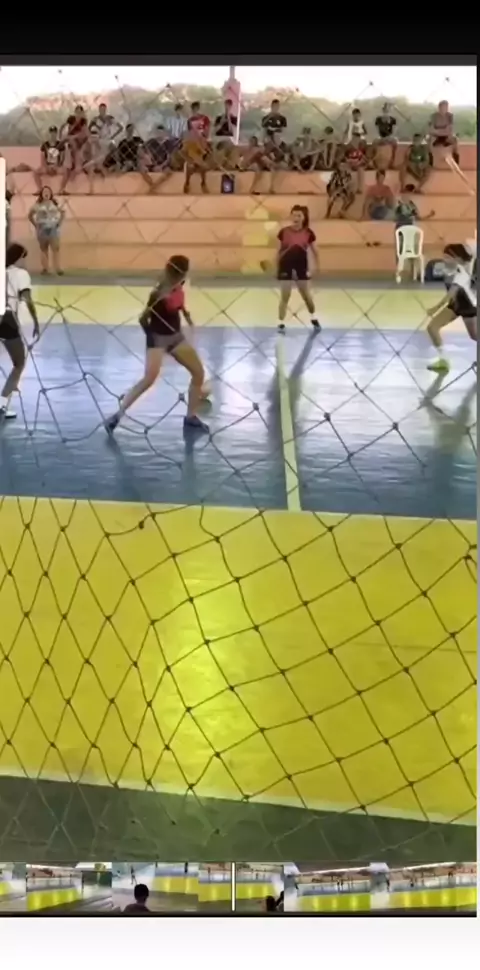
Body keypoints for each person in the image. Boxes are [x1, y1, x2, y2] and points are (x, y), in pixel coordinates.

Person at [105, 255, 210, 435]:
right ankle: (117, 415)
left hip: (176, 338)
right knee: (149, 379)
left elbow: (179, 305)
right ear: (179, 273)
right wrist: (153, 341)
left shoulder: (179, 287)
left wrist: (187, 316)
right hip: (158, 339)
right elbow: (143, 319)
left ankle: (191, 418)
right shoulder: (158, 294)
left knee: (198, 372)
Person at [0, 243, 40, 420]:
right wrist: (36, 321)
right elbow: (27, 299)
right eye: (25, 258)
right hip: (8, 320)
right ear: (19, 258)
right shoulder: (21, 274)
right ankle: (2, 403)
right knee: (19, 363)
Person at [425, 243, 476, 373]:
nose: (444, 259)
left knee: (475, 336)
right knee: (432, 328)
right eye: (444, 256)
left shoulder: (461, 274)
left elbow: (450, 295)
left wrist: (434, 309)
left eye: (448, 257)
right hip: (455, 305)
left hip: (469, 307)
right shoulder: (446, 270)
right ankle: (444, 360)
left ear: (457, 259)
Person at [276, 205, 320, 334]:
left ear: (304, 218)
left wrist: (317, 268)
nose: (296, 218)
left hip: (301, 266)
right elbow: (278, 251)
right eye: (294, 215)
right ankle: (281, 323)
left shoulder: (308, 233)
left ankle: (313, 318)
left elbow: (315, 252)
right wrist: (276, 267)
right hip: (285, 266)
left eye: (299, 215)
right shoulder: (284, 232)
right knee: (285, 295)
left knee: (306, 295)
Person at [28, 186, 64, 275]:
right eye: (44, 192)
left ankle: (57, 268)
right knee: (44, 249)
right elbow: (30, 215)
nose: (46, 193)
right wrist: (35, 224)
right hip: (42, 228)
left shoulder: (55, 203)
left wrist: (59, 223)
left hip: (53, 228)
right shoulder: (37, 205)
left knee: (55, 248)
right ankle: (45, 268)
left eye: (48, 192)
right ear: (41, 194)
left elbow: (63, 212)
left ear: (51, 194)